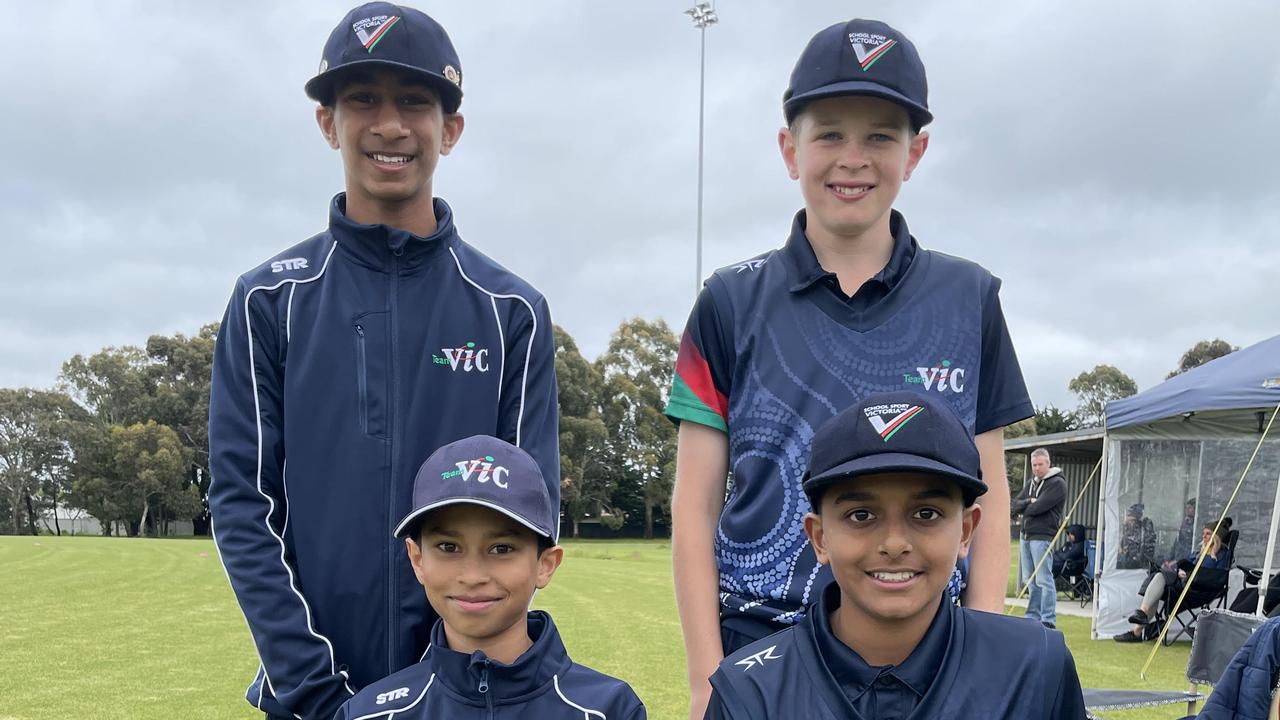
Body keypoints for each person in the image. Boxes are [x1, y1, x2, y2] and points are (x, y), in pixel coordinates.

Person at [665, 18, 1034, 718]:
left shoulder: (971, 298)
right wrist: (705, 678)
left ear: (916, 151)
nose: (853, 158)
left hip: (930, 652)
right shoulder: (727, 300)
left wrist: (984, 647)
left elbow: (989, 501)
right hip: (762, 646)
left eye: (880, 136)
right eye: (829, 133)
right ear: (789, 148)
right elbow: (695, 506)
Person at [207, 5, 559, 718]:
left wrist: (452, 688)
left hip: (468, 694)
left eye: (415, 102)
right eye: (362, 98)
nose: (390, 125)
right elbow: (245, 507)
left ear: (450, 129)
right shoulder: (268, 300)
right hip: (310, 697)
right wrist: (312, 689)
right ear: (327, 122)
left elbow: (527, 514)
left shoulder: (511, 310)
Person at [702, 392, 1085, 719]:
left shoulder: (1034, 666)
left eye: (926, 514)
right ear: (819, 538)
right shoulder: (750, 692)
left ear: (966, 531)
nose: (895, 543)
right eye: (861, 515)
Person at [333, 436, 645, 719]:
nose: (472, 576)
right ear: (417, 559)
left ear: (545, 564)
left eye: (501, 548)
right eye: (448, 547)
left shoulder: (609, 709)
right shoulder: (368, 713)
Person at [1114, 519, 1233, 642]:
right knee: (1158, 581)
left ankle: (1139, 622)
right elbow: (1181, 564)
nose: (1204, 536)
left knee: (1159, 576)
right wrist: (1180, 571)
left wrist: (1191, 574)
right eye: (1203, 533)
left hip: (1199, 590)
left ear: (1216, 536)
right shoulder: (1198, 553)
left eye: (1208, 533)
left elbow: (1218, 577)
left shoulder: (1223, 555)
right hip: (1184, 585)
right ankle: (1138, 626)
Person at [1011, 448, 1067, 627]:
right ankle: (1032, 616)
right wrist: (1029, 501)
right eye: (1033, 465)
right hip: (1025, 535)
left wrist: (1027, 506)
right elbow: (1014, 505)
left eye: (1040, 464)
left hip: (1042, 536)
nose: (1036, 468)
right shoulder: (1032, 483)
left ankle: (1048, 618)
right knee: (1030, 579)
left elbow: (1039, 508)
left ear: (1048, 464)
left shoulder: (1057, 483)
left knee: (1044, 578)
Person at [1117, 503, 1158, 569]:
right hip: (1126, 563)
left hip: (1139, 565)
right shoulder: (1127, 529)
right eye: (1129, 520)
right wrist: (1121, 550)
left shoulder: (1143, 530)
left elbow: (1147, 550)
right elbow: (1122, 543)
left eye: (1132, 520)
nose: (1130, 523)